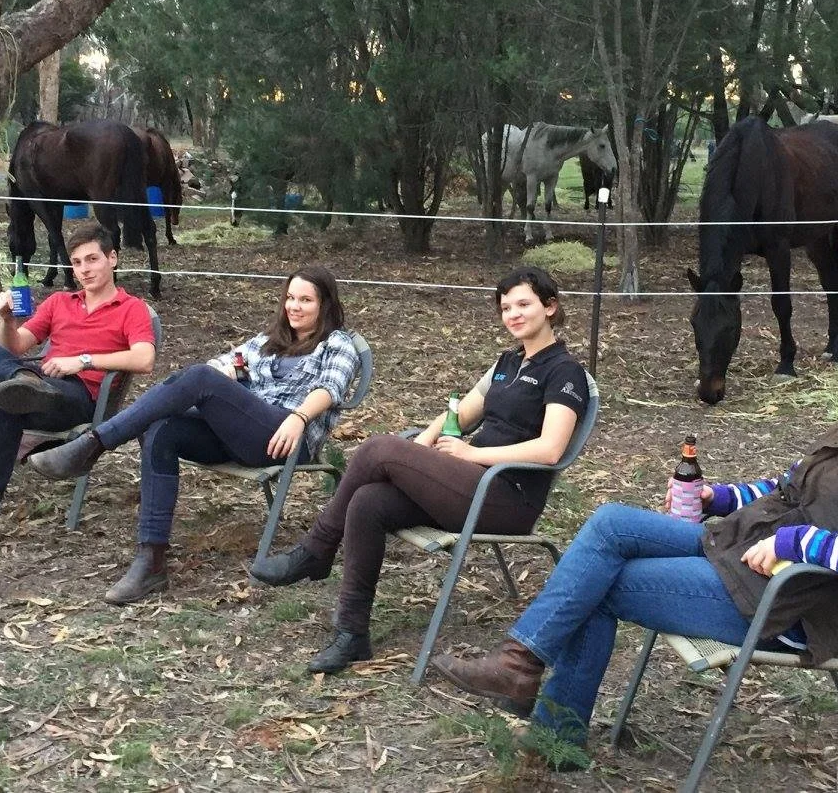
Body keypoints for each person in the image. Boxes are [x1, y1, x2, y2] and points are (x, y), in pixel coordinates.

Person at [430, 327, 838, 765]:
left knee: (599, 585)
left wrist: (798, 542)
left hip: (784, 606)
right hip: (739, 553)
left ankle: (552, 733)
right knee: (612, 523)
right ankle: (522, 663)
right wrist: (719, 496)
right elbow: (783, 491)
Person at [250, 266, 590, 675]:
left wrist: (465, 456)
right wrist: (418, 450)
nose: (513, 314)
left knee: (379, 448)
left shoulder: (564, 371)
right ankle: (351, 633)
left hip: (506, 496)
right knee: (368, 501)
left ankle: (318, 549)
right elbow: (459, 415)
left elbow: (550, 450)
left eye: (524, 304)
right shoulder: (506, 363)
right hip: (466, 483)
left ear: (550, 307)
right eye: (505, 307)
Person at [27, 266, 359, 604]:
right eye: (290, 298)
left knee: (199, 379)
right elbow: (227, 362)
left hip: (285, 437)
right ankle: (151, 561)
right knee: (162, 427)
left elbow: (330, 389)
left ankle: (92, 445)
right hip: (242, 433)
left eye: (305, 300)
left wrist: (300, 417)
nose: (294, 306)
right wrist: (227, 371)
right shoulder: (271, 340)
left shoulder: (338, 344)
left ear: (325, 304)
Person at [0, 223, 157, 563]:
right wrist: (5, 319)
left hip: (77, 397)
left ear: (113, 259)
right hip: (32, 381)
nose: (84, 270)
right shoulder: (59, 302)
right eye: (77, 263)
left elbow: (144, 358)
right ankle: (15, 382)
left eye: (92, 260)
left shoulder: (131, 308)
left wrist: (82, 361)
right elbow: (15, 346)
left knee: (3, 397)